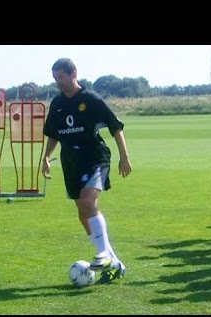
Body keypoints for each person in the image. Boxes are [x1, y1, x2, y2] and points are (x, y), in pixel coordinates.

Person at [42, 58, 132, 284]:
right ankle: (114, 262)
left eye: (60, 77)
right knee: (84, 214)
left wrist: (124, 157)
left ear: (73, 74)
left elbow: (115, 126)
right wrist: (45, 157)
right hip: (71, 162)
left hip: (94, 157)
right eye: (55, 78)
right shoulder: (57, 104)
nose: (57, 82)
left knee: (87, 202)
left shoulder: (90, 99)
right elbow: (53, 134)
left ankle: (103, 255)